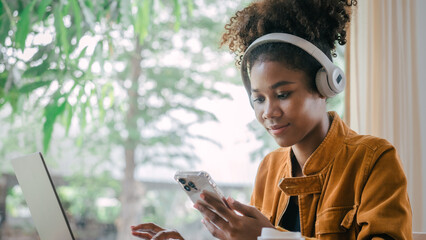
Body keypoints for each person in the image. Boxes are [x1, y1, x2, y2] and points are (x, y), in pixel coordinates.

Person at [131, 0, 413, 239]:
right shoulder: (270, 168)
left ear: (326, 86)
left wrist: (269, 237)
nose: (269, 112)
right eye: (259, 98)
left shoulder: (373, 159)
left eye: (283, 93)